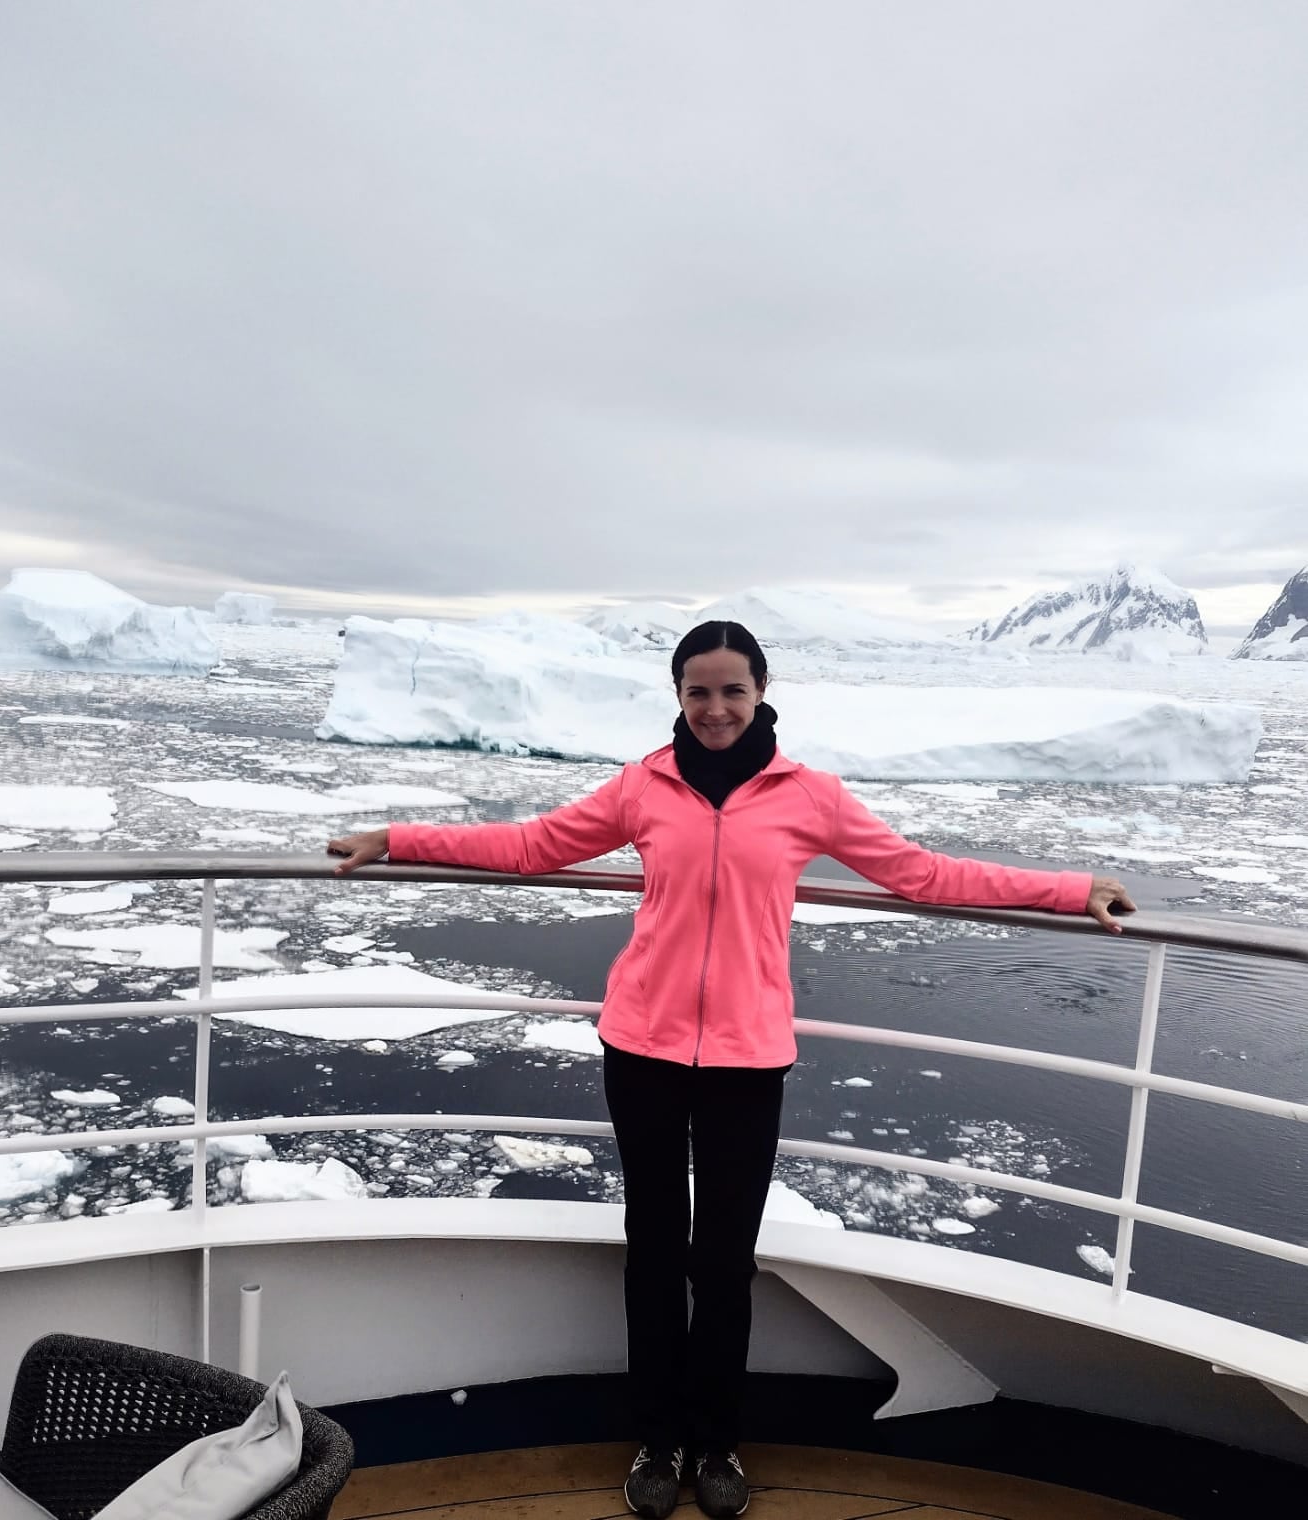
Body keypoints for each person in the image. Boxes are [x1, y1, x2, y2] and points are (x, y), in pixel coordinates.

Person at [326, 620, 1135, 1520]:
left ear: (759, 693)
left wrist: (1068, 888)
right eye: (697, 692)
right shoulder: (644, 786)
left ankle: (716, 1445)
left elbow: (922, 876)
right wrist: (394, 836)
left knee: (722, 1263)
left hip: (748, 1059)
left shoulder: (809, 797)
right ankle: (656, 1440)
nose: (714, 709)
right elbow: (529, 847)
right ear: (677, 696)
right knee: (653, 1253)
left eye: (730, 691)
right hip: (641, 1048)